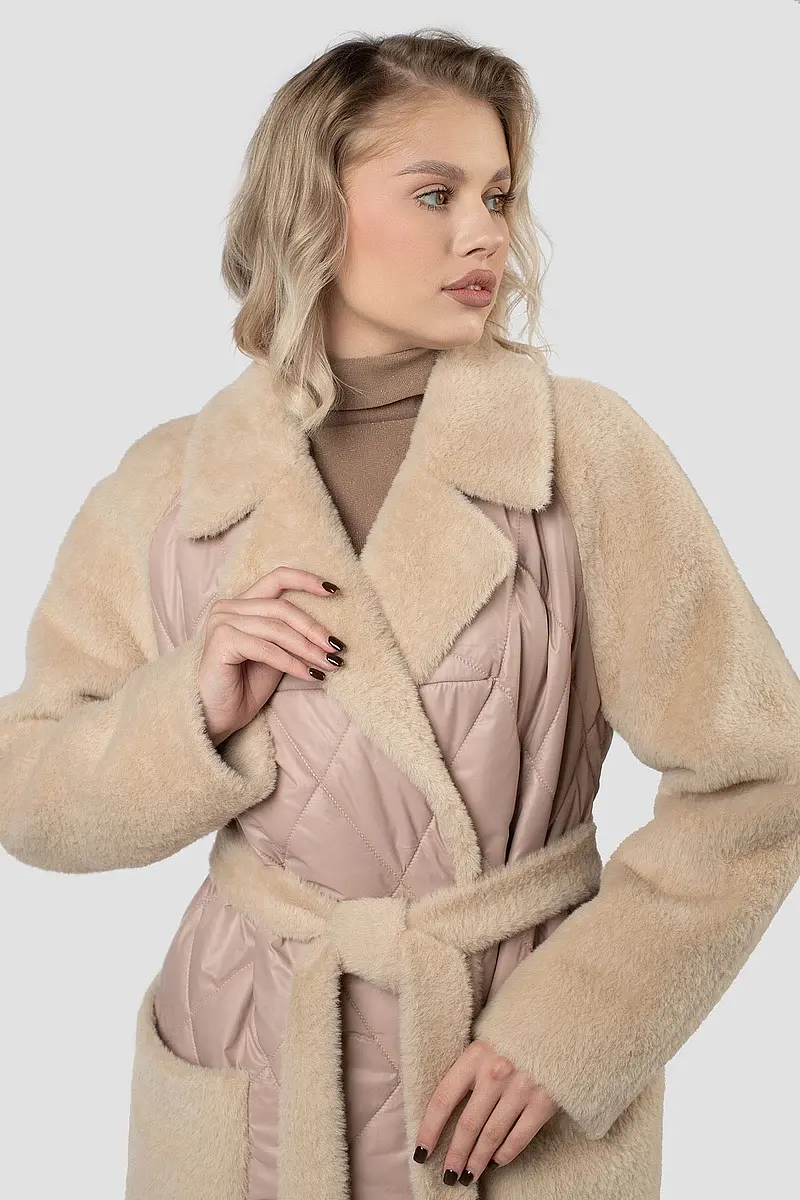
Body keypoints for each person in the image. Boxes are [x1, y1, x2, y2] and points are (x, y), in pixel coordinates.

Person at [1, 27, 798, 1200]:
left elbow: (758, 774)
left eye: (496, 196)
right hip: (250, 1047)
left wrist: (571, 1030)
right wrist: (189, 712)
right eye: (434, 194)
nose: (483, 233)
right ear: (310, 210)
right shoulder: (171, 486)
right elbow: (26, 794)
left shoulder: (580, 453)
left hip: (499, 1067)